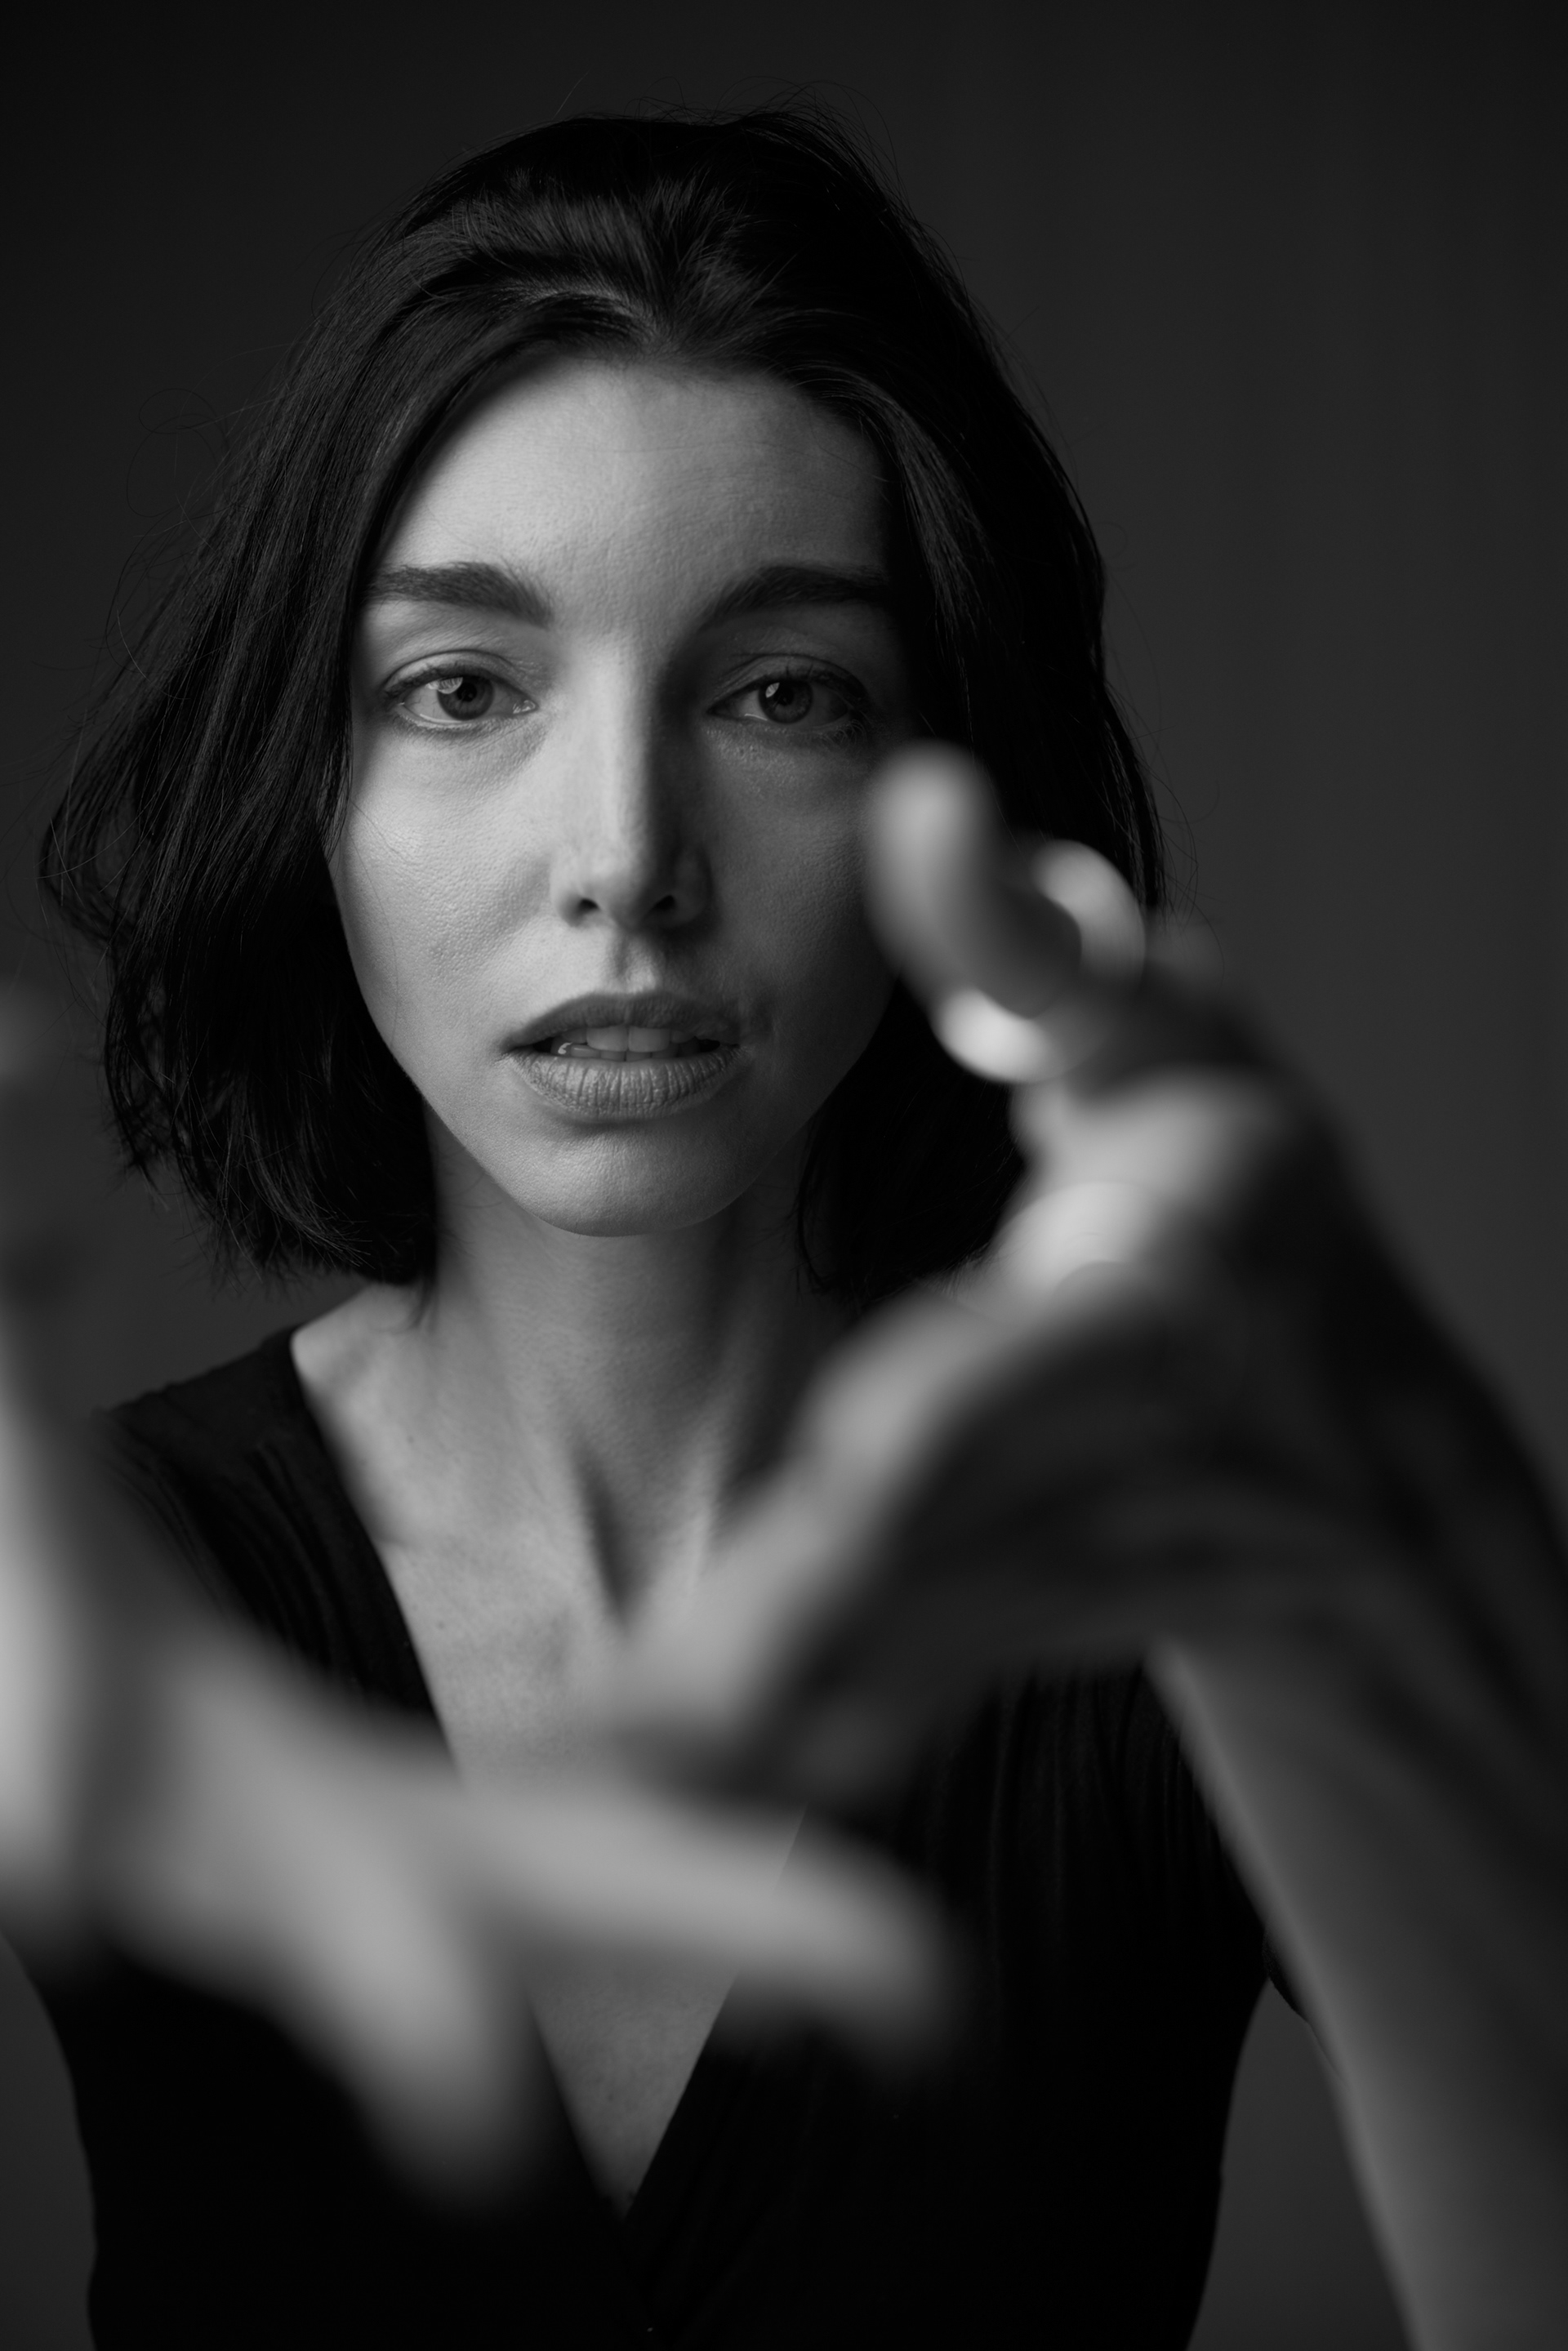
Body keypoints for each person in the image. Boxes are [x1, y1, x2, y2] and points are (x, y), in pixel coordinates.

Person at [23, 103, 1568, 2349]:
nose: (625, 861)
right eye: (463, 689)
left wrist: (1415, 1660)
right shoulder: (91, 1585)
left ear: (960, 790)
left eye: (781, 694)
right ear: (312, 789)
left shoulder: (1159, 1583)